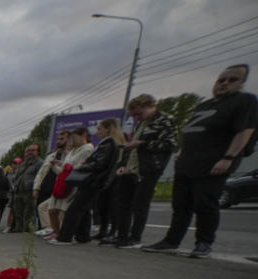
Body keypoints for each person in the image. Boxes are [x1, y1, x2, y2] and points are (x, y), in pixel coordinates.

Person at [144, 65, 257, 258]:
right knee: (181, 205)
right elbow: (192, 131)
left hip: (213, 163)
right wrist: (181, 151)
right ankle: (171, 240)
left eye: (232, 80)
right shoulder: (205, 105)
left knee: (206, 204)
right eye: (222, 79)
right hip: (188, 162)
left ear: (241, 83)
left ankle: (204, 242)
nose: (225, 83)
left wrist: (228, 158)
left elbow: (245, 131)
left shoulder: (244, 101)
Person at [102, 94, 177, 249]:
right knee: (123, 203)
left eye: (139, 114)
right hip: (130, 168)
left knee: (140, 204)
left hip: (148, 168)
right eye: (134, 115)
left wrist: (142, 143)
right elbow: (131, 147)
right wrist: (123, 164)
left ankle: (135, 237)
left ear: (150, 106)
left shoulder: (165, 120)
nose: (136, 117)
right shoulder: (141, 124)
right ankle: (121, 236)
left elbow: (169, 144)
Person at [49, 119, 123, 245]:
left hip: (93, 180)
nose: (97, 131)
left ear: (108, 129)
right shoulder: (108, 143)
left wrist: (82, 166)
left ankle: (65, 237)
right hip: (95, 181)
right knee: (84, 209)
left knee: (75, 208)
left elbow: (99, 164)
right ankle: (83, 236)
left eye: (100, 128)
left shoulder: (108, 143)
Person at [38, 129, 93, 240]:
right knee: (52, 210)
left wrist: (65, 165)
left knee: (64, 212)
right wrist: (55, 165)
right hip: (61, 183)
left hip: (72, 185)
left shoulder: (88, 149)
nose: (72, 140)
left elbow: (79, 167)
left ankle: (65, 234)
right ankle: (56, 231)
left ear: (83, 135)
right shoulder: (72, 151)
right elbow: (63, 170)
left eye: (74, 137)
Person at [11, 144, 44, 233]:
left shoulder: (40, 163)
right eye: (29, 150)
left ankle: (27, 229)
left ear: (38, 152)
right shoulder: (24, 163)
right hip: (19, 190)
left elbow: (41, 176)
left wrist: (36, 189)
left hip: (29, 191)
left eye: (33, 150)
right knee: (18, 211)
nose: (30, 152)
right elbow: (17, 174)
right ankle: (19, 228)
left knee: (29, 213)